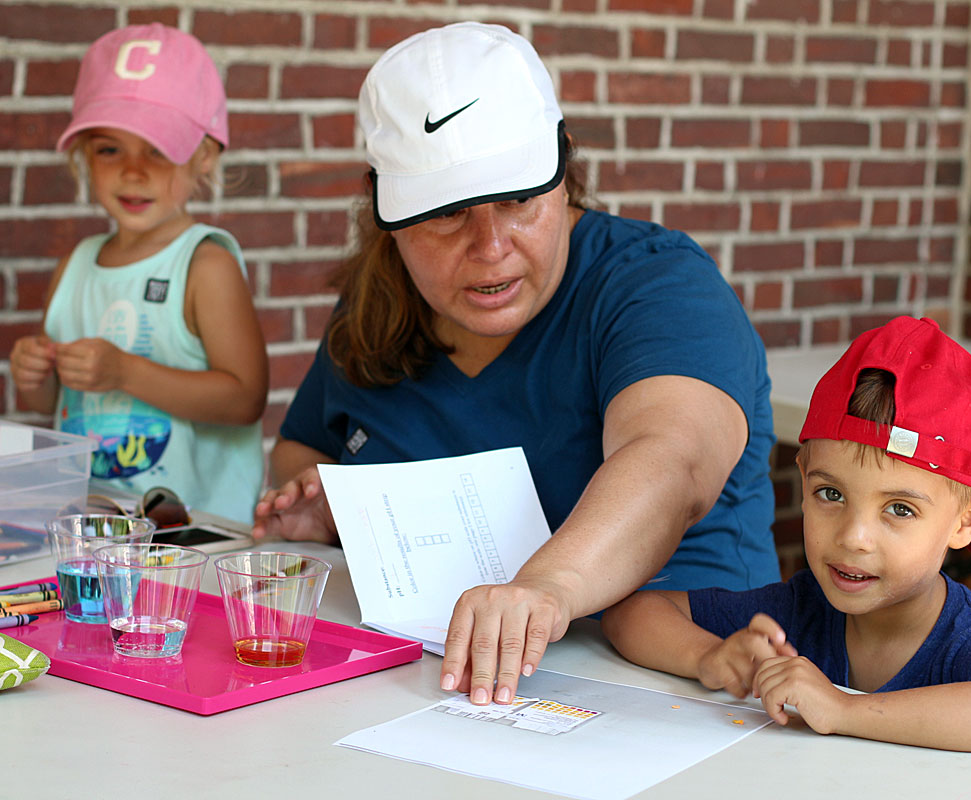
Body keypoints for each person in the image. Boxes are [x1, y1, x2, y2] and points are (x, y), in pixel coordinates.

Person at [252, 21, 780, 705]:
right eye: (445, 216)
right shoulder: (380, 300)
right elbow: (303, 451)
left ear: (563, 174)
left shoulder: (655, 285)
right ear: (389, 214)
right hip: (437, 686)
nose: (490, 245)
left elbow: (671, 461)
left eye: (518, 199)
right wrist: (337, 511)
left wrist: (547, 586)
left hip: (694, 689)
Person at [602, 316, 971, 751]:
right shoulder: (798, 611)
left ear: (966, 522)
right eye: (831, 493)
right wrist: (709, 657)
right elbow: (634, 613)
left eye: (899, 509)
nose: (854, 536)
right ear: (803, 479)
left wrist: (844, 710)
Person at [9, 24, 268, 523]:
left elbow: (245, 399)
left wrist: (126, 372)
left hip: (197, 537)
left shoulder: (203, 264)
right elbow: (57, 402)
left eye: (158, 149)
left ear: (204, 156)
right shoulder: (76, 265)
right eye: (110, 149)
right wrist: (34, 374)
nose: (133, 170)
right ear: (83, 154)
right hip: (98, 525)